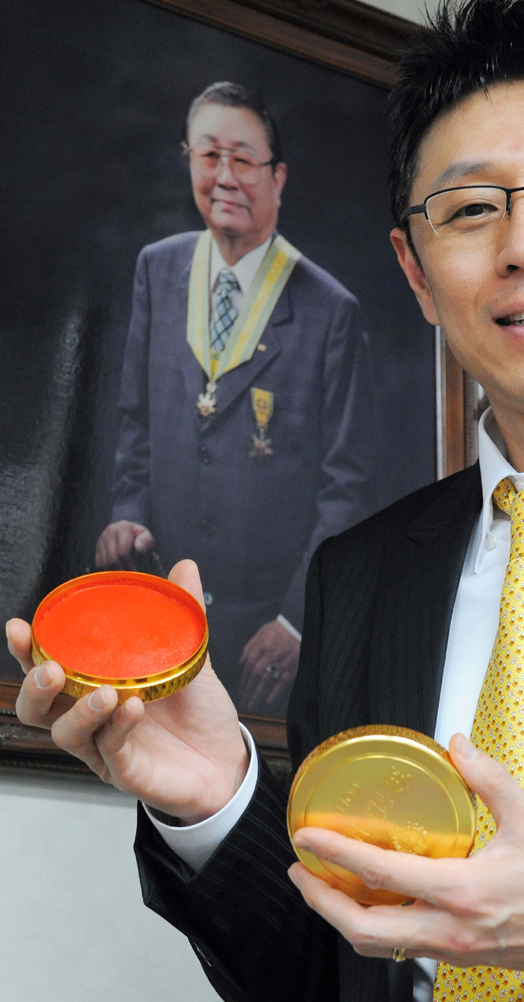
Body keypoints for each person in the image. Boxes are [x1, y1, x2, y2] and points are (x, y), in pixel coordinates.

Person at [8, 0, 524, 1002]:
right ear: (416, 273)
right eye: (469, 209)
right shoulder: (360, 575)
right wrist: (216, 798)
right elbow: (333, 970)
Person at [94, 81, 376, 715]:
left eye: (243, 159)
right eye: (208, 155)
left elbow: (347, 491)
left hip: (263, 634)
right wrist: (128, 514)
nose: (224, 177)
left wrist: (298, 622)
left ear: (278, 177)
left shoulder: (331, 311)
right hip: (160, 611)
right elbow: (136, 424)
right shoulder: (157, 269)